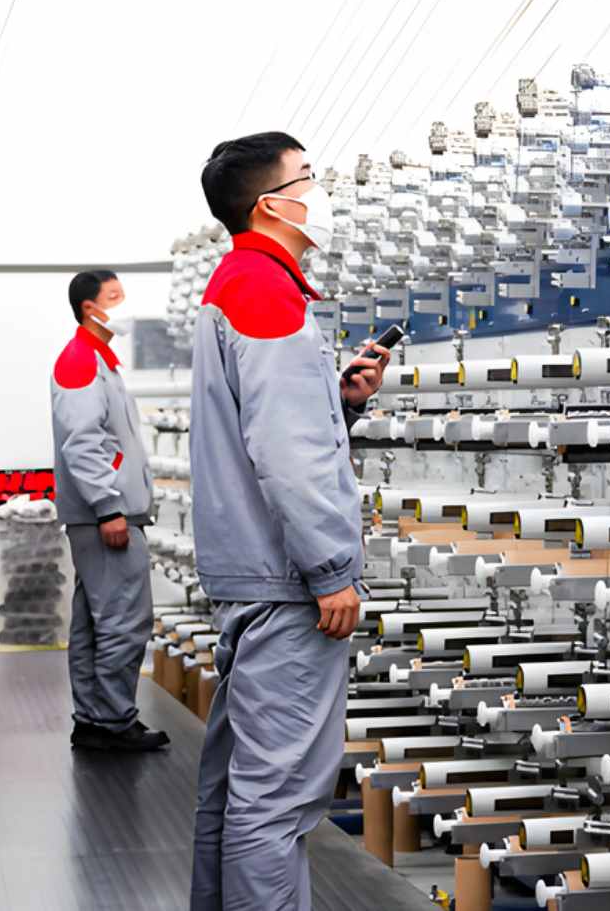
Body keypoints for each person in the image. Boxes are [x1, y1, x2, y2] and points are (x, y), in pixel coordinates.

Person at [188, 132, 389, 910]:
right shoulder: (265, 290)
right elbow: (286, 451)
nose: (320, 190)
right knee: (278, 801)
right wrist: (332, 567)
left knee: (239, 788)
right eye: (310, 177)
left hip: (256, 576)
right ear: (272, 203)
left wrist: (338, 401)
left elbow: (274, 426)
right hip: (286, 584)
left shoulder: (242, 282)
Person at [48, 269, 169, 753]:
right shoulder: (81, 360)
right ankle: (113, 721)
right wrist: (108, 507)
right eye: (115, 297)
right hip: (107, 517)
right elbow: (83, 443)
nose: (124, 305)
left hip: (105, 514)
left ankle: (96, 718)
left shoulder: (98, 360)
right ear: (89, 308)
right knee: (123, 619)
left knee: (97, 621)